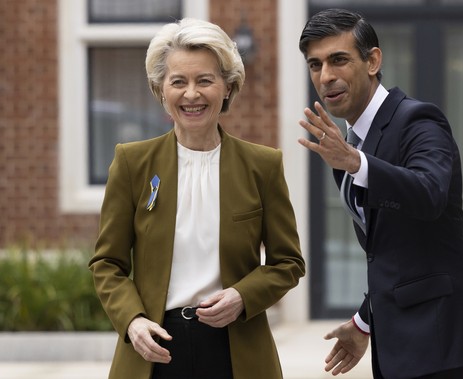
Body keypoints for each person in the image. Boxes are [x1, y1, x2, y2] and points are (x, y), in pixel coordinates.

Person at [89, 18, 305, 379]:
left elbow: (288, 262)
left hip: (236, 352)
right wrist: (133, 321)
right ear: (161, 90)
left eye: (204, 80)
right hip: (153, 352)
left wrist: (242, 296)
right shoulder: (131, 163)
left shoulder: (262, 165)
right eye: (178, 82)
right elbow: (107, 263)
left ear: (227, 87)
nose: (191, 94)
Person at [297, 8, 463, 379]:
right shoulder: (351, 142)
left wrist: (357, 163)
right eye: (315, 64)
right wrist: (363, 323)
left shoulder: (418, 120)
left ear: (373, 60)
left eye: (338, 60)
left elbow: (430, 193)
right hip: (399, 345)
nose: (326, 76)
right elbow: (391, 252)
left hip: (444, 342)